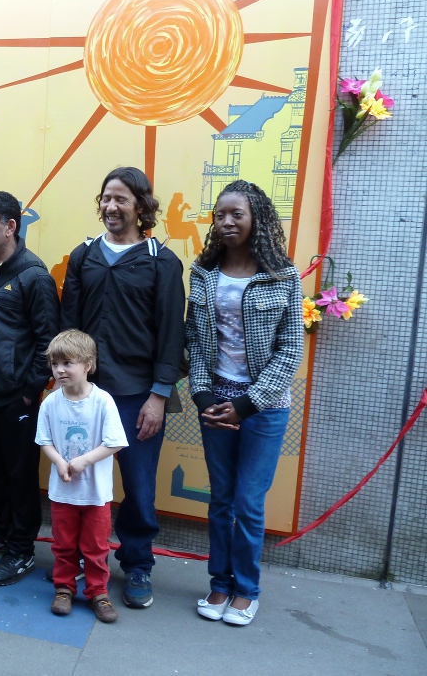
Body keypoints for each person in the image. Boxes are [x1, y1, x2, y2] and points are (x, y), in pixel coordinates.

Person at [60, 166, 185, 609]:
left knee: (139, 485)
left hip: (137, 394)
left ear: (140, 207)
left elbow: (172, 333)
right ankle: (76, 562)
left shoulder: (162, 261)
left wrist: (159, 394)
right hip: (86, 394)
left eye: (122, 199)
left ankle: (137, 565)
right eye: (106, 198)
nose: (111, 207)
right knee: (80, 481)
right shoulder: (84, 255)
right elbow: (68, 328)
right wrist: (63, 385)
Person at [185, 180, 303, 626]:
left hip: (264, 408)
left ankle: (246, 590)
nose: (228, 221)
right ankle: (219, 584)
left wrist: (248, 404)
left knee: (249, 502)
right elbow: (195, 340)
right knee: (221, 500)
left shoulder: (282, 276)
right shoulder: (203, 273)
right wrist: (203, 395)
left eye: (237, 213)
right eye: (220, 214)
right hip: (216, 401)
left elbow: (290, 348)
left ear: (257, 218)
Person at [0, 191, 60, 586]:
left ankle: (21, 550)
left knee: (20, 474)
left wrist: (29, 390)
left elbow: (48, 341)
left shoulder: (34, 276)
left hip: (16, 395)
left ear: (10, 227)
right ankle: (2, 531)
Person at [36, 330, 127, 622]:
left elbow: (116, 441)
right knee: (63, 544)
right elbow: (44, 439)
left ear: (87, 364)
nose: (59, 370)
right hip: (63, 492)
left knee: (96, 546)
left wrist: (83, 461)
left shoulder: (103, 401)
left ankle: (98, 592)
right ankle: (64, 588)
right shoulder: (50, 401)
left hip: (95, 493)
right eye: (54, 364)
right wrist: (60, 462)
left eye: (67, 363)